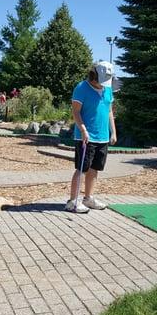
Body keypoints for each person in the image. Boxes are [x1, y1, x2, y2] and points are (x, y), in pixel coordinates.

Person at [65, 60, 117, 213]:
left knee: (95, 169)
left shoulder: (108, 89)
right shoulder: (81, 88)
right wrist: (83, 129)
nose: (103, 84)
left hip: (102, 137)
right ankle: (72, 202)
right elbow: (76, 112)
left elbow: (109, 111)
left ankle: (88, 199)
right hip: (86, 137)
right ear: (93, 76)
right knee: (82, 169)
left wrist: (113, 131)